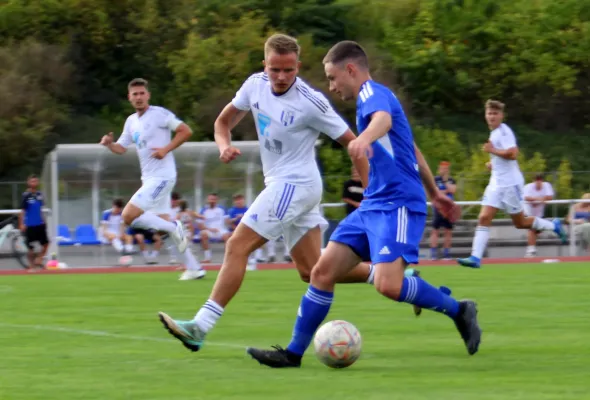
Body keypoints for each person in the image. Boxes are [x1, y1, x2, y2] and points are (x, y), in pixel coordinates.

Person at [245, 40, 479, 368]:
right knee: (322, 272)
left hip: (397, 204)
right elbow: (411, 149)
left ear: (350, 70)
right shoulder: (366, 102)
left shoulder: (372, 94)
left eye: (332, 77)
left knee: (388, 285)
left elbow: (381, 120)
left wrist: (364, 139)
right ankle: (293, 353)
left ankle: (459, 309)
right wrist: (435, 193)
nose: (331, 86)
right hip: (373, 204)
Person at [157, 34, 385, 352]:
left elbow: (355, 145)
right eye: (274, 70)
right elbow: (223, 122)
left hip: (295, 185)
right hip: (287, 186)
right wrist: (224, 146)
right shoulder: (254, 85)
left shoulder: (311, 101)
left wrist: (372, 196)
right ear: (264, 65)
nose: (280, 77)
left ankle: (200, 326)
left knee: (237, 245)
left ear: (298, 67)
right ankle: (392, 276)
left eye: (288, 71)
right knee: (313, 271)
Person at [99, 78, 202, 273]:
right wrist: (109, 144)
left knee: (128, 215)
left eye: (141, 93)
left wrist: (165, 149)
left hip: (162, 176)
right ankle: (194, 268)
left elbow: (185, 131)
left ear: (148, 95)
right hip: (149, 178)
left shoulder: (160, 114)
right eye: (135, 94)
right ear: (129, 97)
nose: (138, 97)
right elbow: (121, 148)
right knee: (161, 228)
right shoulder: (131, 121)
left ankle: (175, 227)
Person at [457, 100, 567, 268]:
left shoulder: (504, 132)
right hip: (496, 183)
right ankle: (475, 258)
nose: (492, 116)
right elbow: (504, 157)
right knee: (484, 217)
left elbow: (513, 154)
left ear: (501, 116)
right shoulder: (494, 133)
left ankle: (553, 225)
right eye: (489, 113)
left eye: (495, 113)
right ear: (485, 115)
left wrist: (492, 151)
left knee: (520, 223)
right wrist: (493, 163)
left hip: (510, 184)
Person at [19, 174, 49, 270]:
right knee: (30, 247)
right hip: (29, 225)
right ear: (28, 183)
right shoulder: (26, 195)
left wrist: (44, 220)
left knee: (46, 244)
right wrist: (21, 223)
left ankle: (39, 260)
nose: (34, 183)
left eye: (36, 181)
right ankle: (32, 267)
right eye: (32, 181)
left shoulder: (39, 195)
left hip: (40, 224)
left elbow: (40, 209)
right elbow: (22, 211)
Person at [430, 161, 457, 260]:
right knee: (435, 230)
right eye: (442, 168)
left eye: (446, 168)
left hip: (449, 209)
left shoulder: (451, 180)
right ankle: (433, 253)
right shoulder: (435, 179)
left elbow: (453, 190)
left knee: (448, 231)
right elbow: (436, 192)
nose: (444, 170)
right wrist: (445, 191)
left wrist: (445, 184)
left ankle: (446, 253)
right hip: (438, 207)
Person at [523, 174, 554, 257]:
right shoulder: (528, 187)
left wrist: (538, 200)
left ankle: (532, 247)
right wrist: (539, 200)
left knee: (536, 230)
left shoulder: (546, 185)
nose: (538, 182)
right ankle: (531, 250)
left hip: (540, 214)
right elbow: (526, 198)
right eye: (536, 180)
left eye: (540, 180)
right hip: (528, 212)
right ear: (533, 181)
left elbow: (550, 197)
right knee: (532, 229)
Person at [176, 200, 207, 280]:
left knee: (187, 251)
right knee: (188, 251)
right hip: (188, 233)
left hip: (185, 233)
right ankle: (193, 269)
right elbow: (200, 217)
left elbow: (178, 224)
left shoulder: (179, 214)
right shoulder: (189, 212)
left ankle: (195, 269)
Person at [197, 193, 231, 263]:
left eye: (214, 199)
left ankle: (228, 258)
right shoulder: (203, 210)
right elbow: (200, 225)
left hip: (220, 230)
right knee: (203, 234)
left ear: (217, 200)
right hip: (209, 230)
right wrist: (210, 229)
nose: (212, 201)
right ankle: (207, 258)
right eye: (210, 199)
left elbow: (228, 221)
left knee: (227, 236)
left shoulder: (222, 209)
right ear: (207, 200)